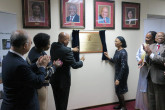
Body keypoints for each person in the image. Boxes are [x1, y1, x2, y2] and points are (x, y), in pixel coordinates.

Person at [1, 30, 50, 110]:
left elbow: (24, 72)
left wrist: (37, 64)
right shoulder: (19, 64)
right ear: (25, 45)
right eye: (31, 42)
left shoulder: (8, 57)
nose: (31, 44)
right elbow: (38, 83)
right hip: (22, 106)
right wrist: (43, 66)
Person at [27, 33, 63, 110]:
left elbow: (46, 64)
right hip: (39, 86)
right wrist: (55, 66)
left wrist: (51, 65)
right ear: (43, 46)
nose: (49, 46)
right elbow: (45, 75)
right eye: (48, 44)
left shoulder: (36, 50)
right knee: (42, 107)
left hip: (40, 84)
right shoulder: (36, 57)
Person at [50, 32, 85, 110]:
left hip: (54, 79)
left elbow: (62, 48)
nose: (68, 41)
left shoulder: (53, 45)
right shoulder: (67, 51)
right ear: (64, 40)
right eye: (68, 40)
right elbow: (75, 65)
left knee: (57, 102)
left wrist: (72, 49)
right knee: (63, 102)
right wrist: (82, 61)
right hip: (63, 81)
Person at [104, 36, 129, 110]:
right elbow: (115, 61)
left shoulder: (124, 52)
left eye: (116, 41)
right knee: (117, 89)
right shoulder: (117, 51)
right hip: (117, 71)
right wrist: (108, 57)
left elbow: (124, 67)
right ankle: (120, 105)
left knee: (120, 90)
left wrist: (118, 78)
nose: (115, 42)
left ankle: (124, 107)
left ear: (121, 43)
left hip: (123, 72)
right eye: (114, 41)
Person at [143, 32, 165, 110]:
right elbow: (148, 61)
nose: (160, 37)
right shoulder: (151, 46)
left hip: (160, 77)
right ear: (155, 38)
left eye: (162, 36)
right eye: (158, 36)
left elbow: (163, 60)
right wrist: (146, 53)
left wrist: (151, 54)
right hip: (150, 76)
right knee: (151, 99)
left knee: (160, 100)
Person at [135, 31, 157, 110]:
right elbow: (137, 55)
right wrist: (140, 60)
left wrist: (146, 62)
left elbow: (155, 59)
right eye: (146, 37)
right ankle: (144, 107)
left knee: (149, 90)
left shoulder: (155, 47)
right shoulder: (142, 45)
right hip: (143, 71)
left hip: (151, 71)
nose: (146, 39)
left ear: (153, 39)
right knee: (143, 89)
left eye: (148, 37)